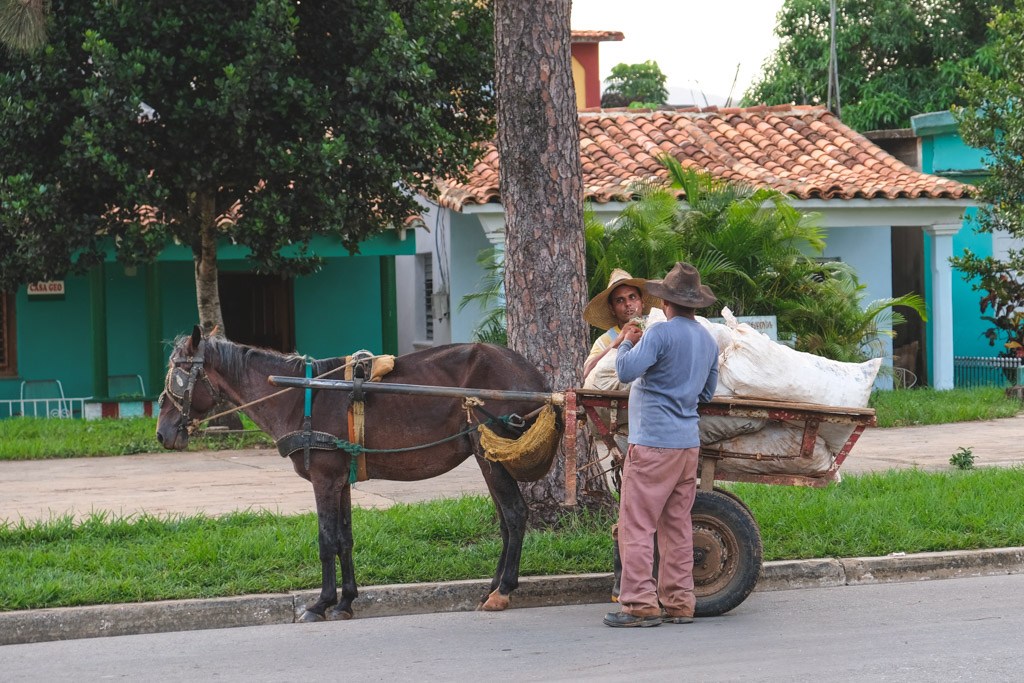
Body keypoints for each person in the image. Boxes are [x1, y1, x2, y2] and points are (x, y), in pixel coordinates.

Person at [603, 262, 719, 628]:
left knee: (636, 525)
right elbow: (706, 392)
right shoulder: (708, 340)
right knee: (677, 526)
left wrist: (624, 344)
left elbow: (624, 372)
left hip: (653, 444)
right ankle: (680, 602)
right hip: (687, 446)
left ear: (666, 302)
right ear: (694, 304)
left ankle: (638, 604)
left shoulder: (659, 334)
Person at [582, 269, 659, 381]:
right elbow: (586, 372)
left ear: (642, 302)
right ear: (612, 309)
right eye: (619, 300)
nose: (628, 304)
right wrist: (617, 341)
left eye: (632, 297)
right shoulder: (605, 340)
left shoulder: (656, 326)